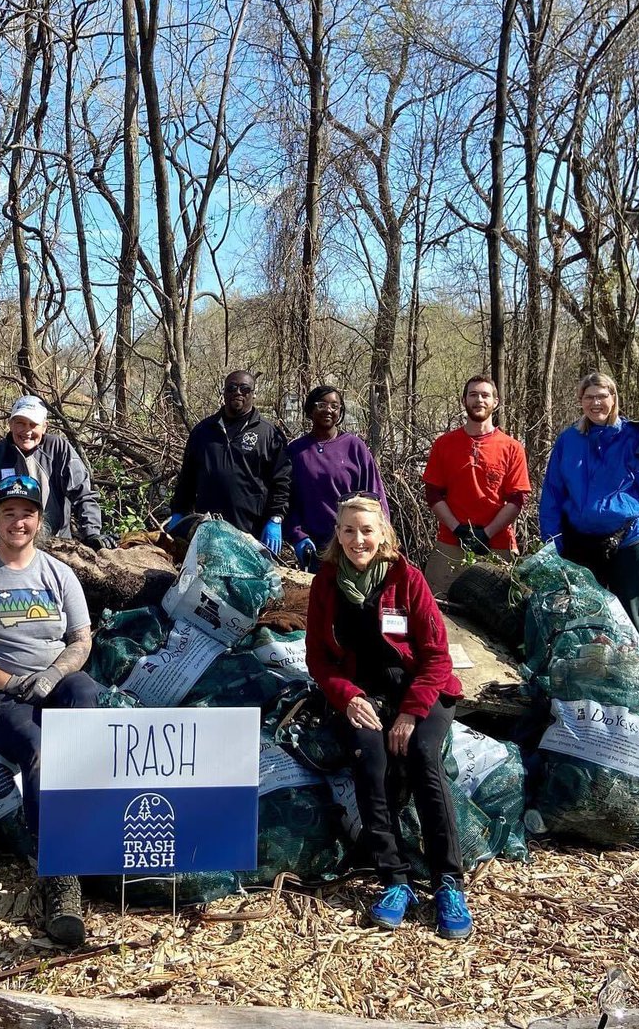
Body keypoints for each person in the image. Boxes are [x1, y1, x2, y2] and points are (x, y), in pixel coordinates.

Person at [0, 473, 99, 947]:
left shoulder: (58, 573)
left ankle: (90, 829)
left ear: (39, 520)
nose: (18, 522)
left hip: (54, 679)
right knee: (38, 749)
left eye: (27, 513)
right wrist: (13, 681)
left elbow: (81, 640)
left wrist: (52, 675)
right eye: (8, 513)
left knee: (88, 703)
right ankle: (60, 877)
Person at [305, 495, 470, 939]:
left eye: (367, 530)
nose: (358, 539)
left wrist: (412, 714)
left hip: (421, 689)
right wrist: (347, 697)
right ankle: (395, 880)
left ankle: (448, 882)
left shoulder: (406, 579)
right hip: (364, 693)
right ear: (337, 536)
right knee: (371, 762)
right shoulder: (325, 584)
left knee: (422, 757)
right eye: (348, 531)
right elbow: (318, 660)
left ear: (383, 535)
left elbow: (438, 657)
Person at [539, 372, 639, 660]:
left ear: (613, 398)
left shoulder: (634, 440)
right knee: (584, 616)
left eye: (602, 396)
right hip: (582, 543)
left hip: (630, 542)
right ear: (580, 401)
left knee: (637, 616)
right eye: (589, 397)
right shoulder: (569, 441)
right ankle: (590, 682)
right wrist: (553, 545)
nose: (596, 403)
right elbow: (552, 494)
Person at [421, 376, 531, 597]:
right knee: (439, 606)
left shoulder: (512, 447)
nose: (479, 400)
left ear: (495, 402)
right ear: (464, 400)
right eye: (473, 395)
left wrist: (486, 533)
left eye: (485, 395)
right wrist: (458, 530)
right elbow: (433, 494)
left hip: (498, 543)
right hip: (451, 542)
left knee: (500, 614)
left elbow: (517, 499)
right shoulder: (444, 444)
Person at [0, 395, 115, 551]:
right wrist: (1, 533)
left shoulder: (58, 449)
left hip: (54, 538)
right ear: (10, 424)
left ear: (44, 426)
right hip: (9, 535)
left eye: (33, 424)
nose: (27, 431)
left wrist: (91, 533)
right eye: (20, 423)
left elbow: (83, 494)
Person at [168, 370, 291, 553]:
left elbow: (282, 481)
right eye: (232, 388)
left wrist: (275, 517)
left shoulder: (269, 434)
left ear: (253, 394)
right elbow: (187, 478)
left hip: (251, 531)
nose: (238, 392)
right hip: (208, 530)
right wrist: (179, 511)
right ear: (224, 392)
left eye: (245, 388)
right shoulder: (203, 432)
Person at [286, 385, 388, 571]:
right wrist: (297, 535)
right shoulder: (296, 451)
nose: (328, 410)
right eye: (322, 405)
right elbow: (288, 500)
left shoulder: (354, 447)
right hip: (315, 547)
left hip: (353, 543)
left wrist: (383, 536)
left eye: (335, 406)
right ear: (310, 409)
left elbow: (374, 495)